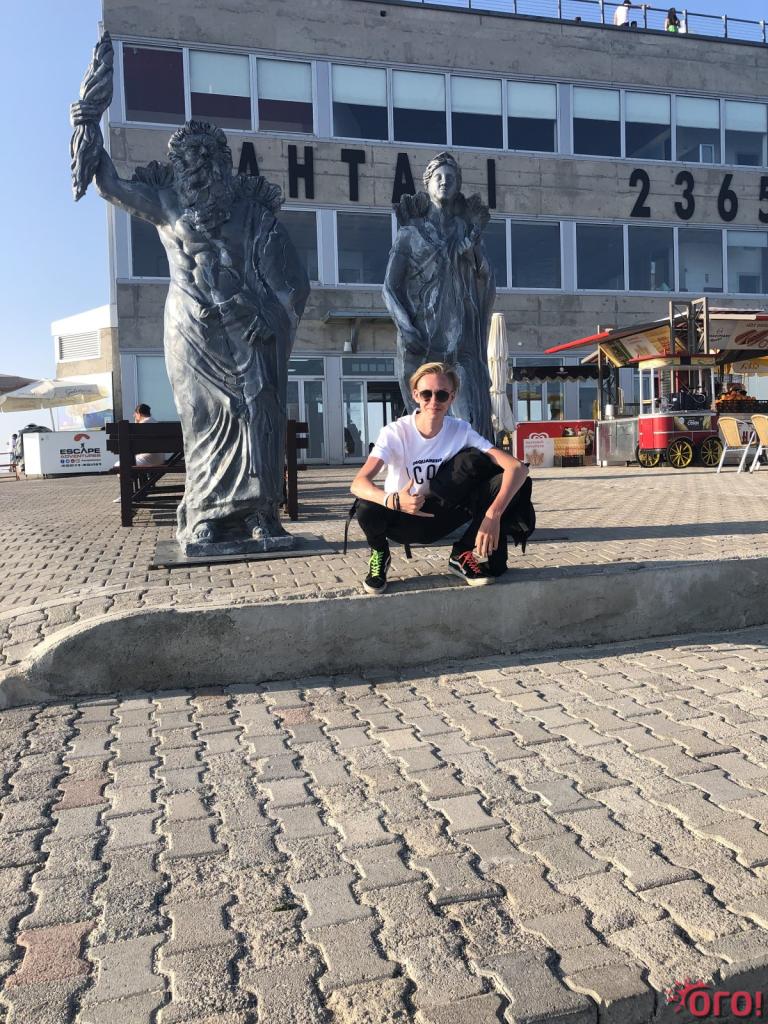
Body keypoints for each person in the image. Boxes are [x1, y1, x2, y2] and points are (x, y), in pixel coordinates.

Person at [350, 362, 530, 595]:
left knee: (508, 483)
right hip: (402, 516)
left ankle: (462, 554)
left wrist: (492, 515)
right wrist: (393, 500)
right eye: (427, 394)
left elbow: (517, 468)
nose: (434, 400)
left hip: (442, 514)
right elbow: (358, 483)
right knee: (366, 506)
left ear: (452, 398)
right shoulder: (394, 432)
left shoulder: (461, 430)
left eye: (442, 394)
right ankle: (379, 552)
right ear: (416, 395)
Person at [383, 152, 495, 442]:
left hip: (461, 342)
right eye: (439, 177)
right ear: (428, 183)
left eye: (451, 178)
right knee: (427, 425)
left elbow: (484, 275)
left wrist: (472, 253)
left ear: (458, 185)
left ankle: (473, 470)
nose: (445, 182)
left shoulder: (465, 230)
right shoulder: (410, 234)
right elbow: (390, 288)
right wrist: (407, 328)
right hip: (423, 339)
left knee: (469, 421)